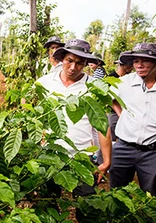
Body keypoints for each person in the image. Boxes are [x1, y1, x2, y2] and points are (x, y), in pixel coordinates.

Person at [36, 38, 112, 196]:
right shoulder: (44, 83)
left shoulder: (94, 87)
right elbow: (33, 114)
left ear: (85, 64)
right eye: (69, 60)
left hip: (82, 156)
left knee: (87, 205)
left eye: (79, 63)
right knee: (47, 202)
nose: (73, 67)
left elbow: (102, 126)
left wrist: (106, 162)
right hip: (50, 154)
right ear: (62, 58)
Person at [110, 43, 156, 195]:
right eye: (135, 61)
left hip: (154, 151)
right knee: (116, 193)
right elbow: (108, 97)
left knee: (151, 194)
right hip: (123, 147)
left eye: (145, 60)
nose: (139, 65)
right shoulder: (124, 82)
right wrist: (121, 114)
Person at [107, 55, 134, 141]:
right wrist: (119, 113)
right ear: (122, 65)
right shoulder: (111, 78)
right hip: (114, 112)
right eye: (129, 65)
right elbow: (107, 97)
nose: (131, 68)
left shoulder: (131, 79)